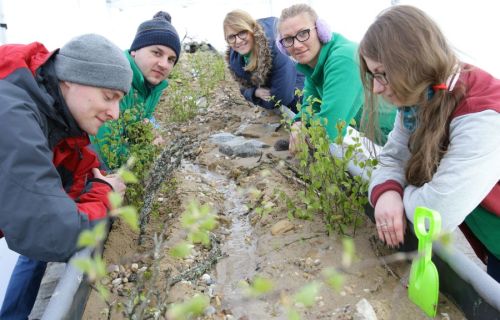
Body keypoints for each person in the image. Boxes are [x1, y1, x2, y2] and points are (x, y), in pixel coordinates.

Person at [360, 5, 500, 282]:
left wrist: (400, 195)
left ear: (410, 61)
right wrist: (387, 193)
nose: (376, 88)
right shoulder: (416, 102)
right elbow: (392, 158)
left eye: (381, 73)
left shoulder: (483, 115)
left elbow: (435, 214)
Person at [0, 34, 132, 319]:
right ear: (70, 79)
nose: (115, 113)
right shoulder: (12, 116)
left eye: (119, 101)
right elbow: (54, 232)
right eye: (109, 97)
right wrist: (103, 195)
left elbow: (76, 171)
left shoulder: (52, 114)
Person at [276, 3, 396, 153]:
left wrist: (301, 135)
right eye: (288, 39)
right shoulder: (313, 64)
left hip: (396, 138)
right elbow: (310, 104)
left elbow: (330, 128)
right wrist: (298, 123)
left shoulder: (343, 58)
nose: (297, 45)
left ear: (320, 30)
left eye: (303, 33)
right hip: (372, 138)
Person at [90, 11, 181, 170]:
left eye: (171, 59)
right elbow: (106, 153)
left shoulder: (153, 85)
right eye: (157, 53)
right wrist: (148, 151)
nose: (164, 64)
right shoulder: (116, 81)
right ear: (134, 50)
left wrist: (151, 130)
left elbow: (144, 119)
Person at [223, 9, 304, 114]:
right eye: (231, 37)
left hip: (297, 83)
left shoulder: (275, 46)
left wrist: (259, 100)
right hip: (274, 88)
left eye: (242, 32)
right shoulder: (235, 59)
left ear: (252, 29)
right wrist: (254, 93)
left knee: (305, 113)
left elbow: (283, 98)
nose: (238, 41)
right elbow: (243, 88)